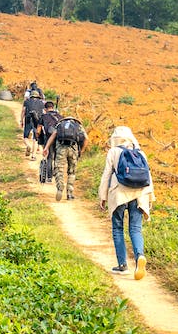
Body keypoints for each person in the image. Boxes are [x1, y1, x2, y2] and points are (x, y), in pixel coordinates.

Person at [98, 126, 155, 278]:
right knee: (135, 229)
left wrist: (102, 196)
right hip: (139, 195)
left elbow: (106, 175)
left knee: (118, 228)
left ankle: (122, 265)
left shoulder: (113, 152)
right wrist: (150, 197)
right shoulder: (140, 152)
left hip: (119, 194)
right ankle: (139, 256)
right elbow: (148, 177)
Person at [43, 115, 85, 201]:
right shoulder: (78, 126)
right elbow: (86, 138)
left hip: (61, 149)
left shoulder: (60, 125)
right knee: (72, 172)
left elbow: (53, 136)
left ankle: (60, 187)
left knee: (59, 169)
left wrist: (46, 148)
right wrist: (81, 150)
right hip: (73, 150)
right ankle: (70, 193)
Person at [21, 89, 45, 159]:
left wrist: (21, 120)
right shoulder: (41, 103)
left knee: (25, 136)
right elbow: (43, 112)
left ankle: (28, 145)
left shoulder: (26, 101)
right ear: (38, 96)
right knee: (36, 139)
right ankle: (33, 156)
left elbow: (23, 111)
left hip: (28, 119)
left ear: (31, 96)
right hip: (37, 120)